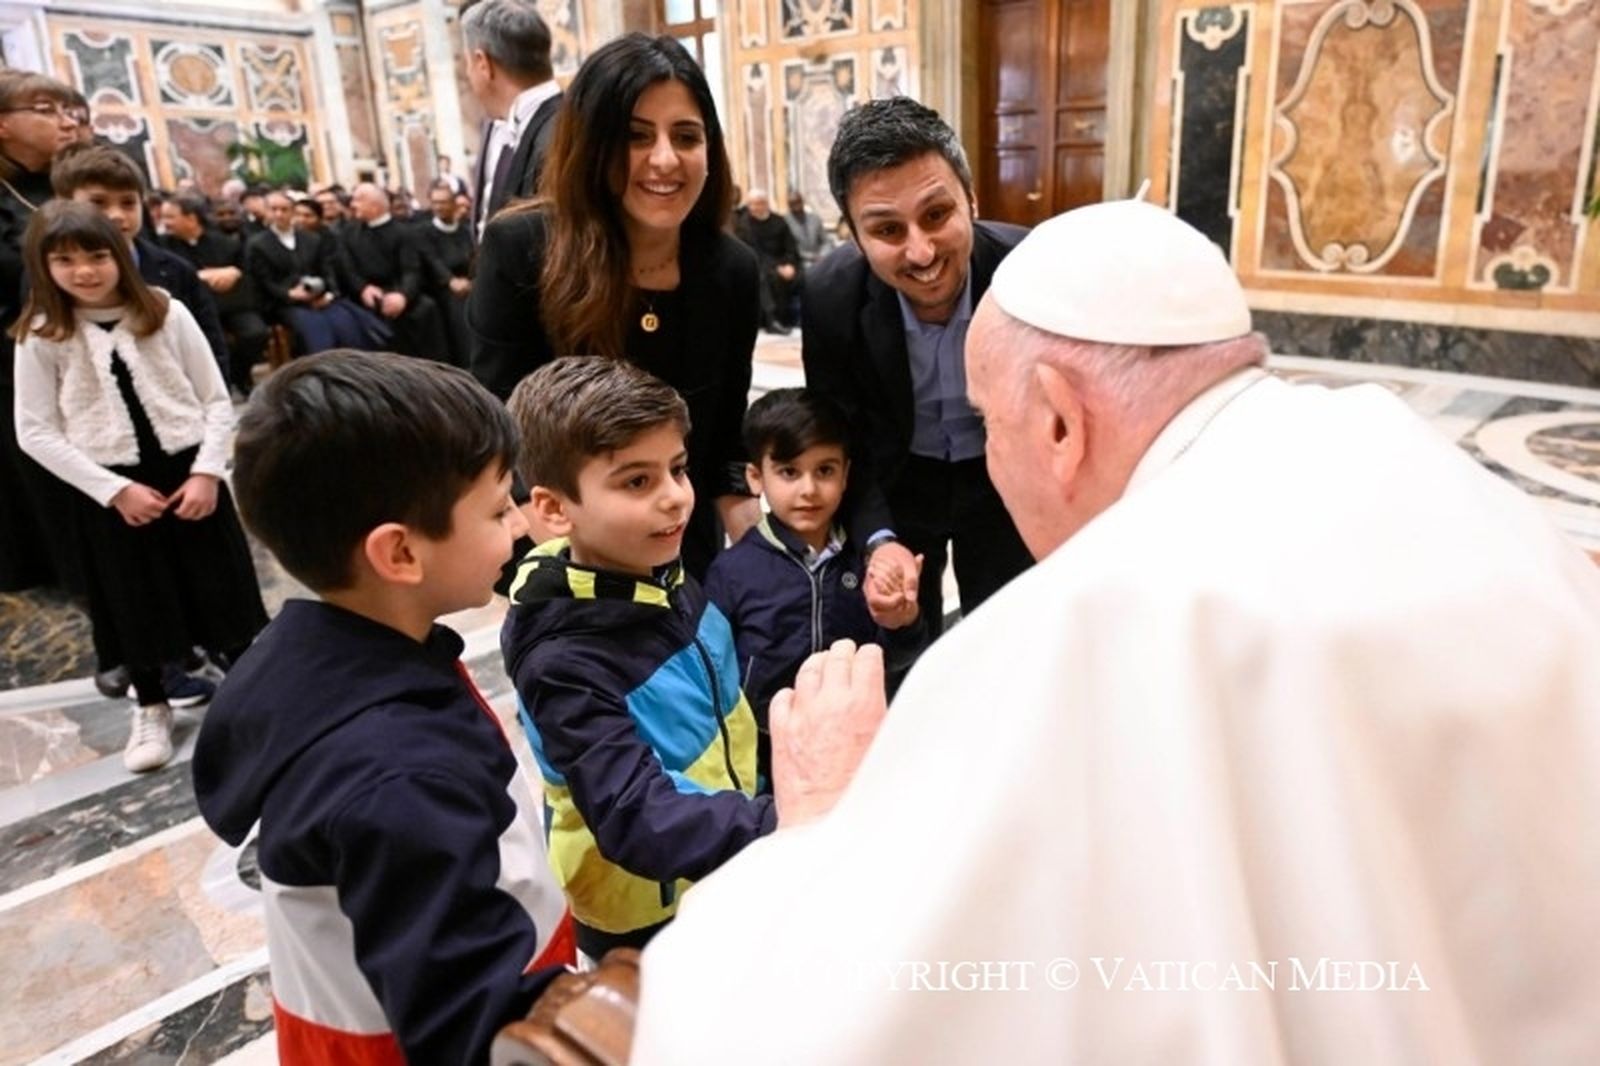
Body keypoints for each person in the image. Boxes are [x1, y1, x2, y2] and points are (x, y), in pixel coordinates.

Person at [632, 199, 1600, 1063]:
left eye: (990, 425)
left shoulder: (1071, 631)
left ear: (1058, 420)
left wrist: (821, 817)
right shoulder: (1408, 451)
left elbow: (778, 1025)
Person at [193, 350, 576, 1064]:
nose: (521, 525)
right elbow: (472, 1027)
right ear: (399, 553)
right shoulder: (398, 778)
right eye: (498, 509)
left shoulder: (326, 655)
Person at [502, 356, 774, 960]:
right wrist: (779, 824)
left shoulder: (659, 569)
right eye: (636, 481)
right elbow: (634, 814)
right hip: (644, 910)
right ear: (553, 510)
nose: (675, 499)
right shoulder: (563, 660)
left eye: (677, 469)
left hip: (722, 854)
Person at [469, 32, 761, 577]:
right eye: (635, 136)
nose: (665, 159)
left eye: (687, 136)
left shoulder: (733, 270)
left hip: (681, 540)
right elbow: (499, 423)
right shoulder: (521, 248)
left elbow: (723, 436)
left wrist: (755, 536)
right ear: (591, 144)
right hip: (567, 546)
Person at [12, 203, 265, 771]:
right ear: (44, 265)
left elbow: (215, 398)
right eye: (65, 260)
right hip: (112, 489)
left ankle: (257, 696)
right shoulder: (42, 334)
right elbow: (34, 430)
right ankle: (151, 702)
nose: (84, 271)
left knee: (222, 592)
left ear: (119, 254)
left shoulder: (163, 311)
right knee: (131, 598)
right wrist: (111, 490)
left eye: (96, 255)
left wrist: (207, 472)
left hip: (189, 474)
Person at [803, 97, 1033, 638]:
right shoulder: (830, 296)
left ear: (971, 200)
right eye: (886, 230)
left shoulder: (1029, 269)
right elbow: (843, 438)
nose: (921, 252)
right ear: (854, 236)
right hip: (899, 478)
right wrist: (879, 539)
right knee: (898, 637)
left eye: (937, 215)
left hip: (1002, 478)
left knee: (1006, 637)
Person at [703, 387, 923, 785]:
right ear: (756, 477)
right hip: (764, 755)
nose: (809, 489)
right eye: (789, 472)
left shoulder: (866, 564)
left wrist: (901, 621)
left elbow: (895, 661)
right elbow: (711, 675)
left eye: (825, 470)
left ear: (846, 475)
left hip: (857, 748)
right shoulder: (732, 571)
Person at [51, 145, 231, 379]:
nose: (116, 214)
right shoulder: (51, 275)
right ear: (66, 204)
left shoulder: (175, 270)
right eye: (98, 203)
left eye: (128, 203)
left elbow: (210, 347)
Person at [0, 71, 79, 592]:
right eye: (47, 108)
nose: (66, 120)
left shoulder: (68, 182)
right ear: (4, 125)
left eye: (69, 110)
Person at [462, 0, 562, 234]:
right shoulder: (519, 124)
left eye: (466, 63)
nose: (467, 75)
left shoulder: (558, 136)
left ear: (482, 63)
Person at [244, 188, 382, 355]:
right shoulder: (257, 245)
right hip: (283, 303)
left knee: (346, 324)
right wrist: (290, 294)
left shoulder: (311, 239)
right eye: (274, 209)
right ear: (267, 212)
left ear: (292, 212)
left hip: (318, 297)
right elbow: (263, 281)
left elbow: (325, 270)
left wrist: (326, 293)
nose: (279, 214)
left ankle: (357, 368)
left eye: (284, 209)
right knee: (316, 329)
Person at [158, 192, 268, 395]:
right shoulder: (161, 247)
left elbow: (245, 270)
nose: (165, 223)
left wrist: (234, 272)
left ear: (191, 218)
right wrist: (202, 275)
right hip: (192, 309)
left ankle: (239, 374)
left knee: (256, 333)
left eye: (171, 217)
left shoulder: (225, 242)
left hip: (231, 303)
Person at [337, 181, 448, 360]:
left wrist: (403, 296)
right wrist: (363, 288)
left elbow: (412, 270)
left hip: (399, 291)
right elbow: (347, 269)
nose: (352, 204)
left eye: (358, 200)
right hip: (365, 296)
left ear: (374, 205)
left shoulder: (404, 232)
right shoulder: (349, 233)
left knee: (426, 309)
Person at [418, 179, 474, 366]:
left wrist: (472, 282)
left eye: (443, 202)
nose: (439, 207)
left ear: (454, 203)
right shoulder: (424, 232)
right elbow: (432, 261)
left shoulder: (465, 231)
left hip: (468, 286)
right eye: (435, 203)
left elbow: (475, 260)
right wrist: (450, 280)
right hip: (440, 290)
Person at [734, 188, 801, 333]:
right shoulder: (744, 225)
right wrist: (777, 267)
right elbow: (753, 252)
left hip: (783, 262)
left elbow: (790, 247)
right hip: (757, 263)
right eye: (752, 204)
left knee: (805, 277)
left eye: (759, 203)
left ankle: (794, 319)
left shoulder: (779, 221)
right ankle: (772, 320)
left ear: (766, 203)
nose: (756, 208)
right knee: (765, 277)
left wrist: (789, 264)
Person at [786, 189, 833, 271]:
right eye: (792, 203)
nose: (796, 205)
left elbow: (826, 241)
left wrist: (823, 255)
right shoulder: (785, 222)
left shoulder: (814, 218)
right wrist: (812, 257)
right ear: (789, 205)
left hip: (821, 257)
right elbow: (790, 249)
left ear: (802, 201)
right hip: (800, 261)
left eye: (798, 201)